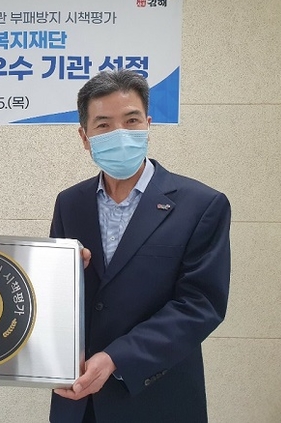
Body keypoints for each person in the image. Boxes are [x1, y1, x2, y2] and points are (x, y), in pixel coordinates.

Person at [49, 69, 231, 423]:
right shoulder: (70, 203)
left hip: (158, 398)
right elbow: (56, 297)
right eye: (103, 125)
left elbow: (200, 304)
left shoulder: (201, 205)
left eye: (131, 121)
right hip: (79, 400)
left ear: (148, 124)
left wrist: (117, 357)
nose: (120, 133)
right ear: (84, 137)